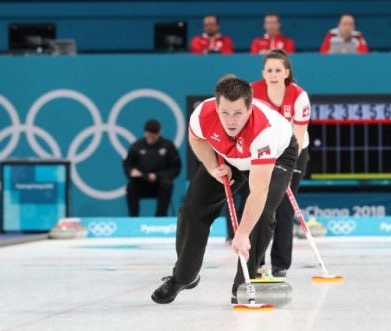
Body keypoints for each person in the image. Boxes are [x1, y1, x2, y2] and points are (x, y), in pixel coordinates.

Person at [151, 75, 298, 304]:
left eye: (238, 113)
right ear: (216, 106)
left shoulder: (264, 131)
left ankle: (242, 285)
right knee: (193, 210)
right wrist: (212, 168)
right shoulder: (203, 114)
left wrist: (240, 234)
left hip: (275, 156)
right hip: (228, 156)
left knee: (259, 217)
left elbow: (258, 190)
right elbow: (196, 138)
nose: (231, 121)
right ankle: (184, 277)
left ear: (250, 108)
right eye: (225, 113)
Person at [251, 49, 311, 277]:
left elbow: (297, 134)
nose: (274, 74)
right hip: (264, 151)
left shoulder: (298, 95)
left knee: (284, 206)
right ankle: (257, 261)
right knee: (260, 203)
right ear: (263, 73)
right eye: (269, 70)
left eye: (278, 70)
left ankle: (280, 264)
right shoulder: (252, 91)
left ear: (286, 72)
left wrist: (283, 165)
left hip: (293, 152)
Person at [123, 119, 182, 217]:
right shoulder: (136, 146)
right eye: (149, 135)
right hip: (142, 183)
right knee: (131, 186)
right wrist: (131, 171)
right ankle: (133, 219)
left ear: (159, 133)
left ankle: (160, 217)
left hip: (160, 183)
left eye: (154, 136)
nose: (151, 138)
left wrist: (157, 176)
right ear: (145, 133)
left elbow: (176, 168)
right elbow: (128, 164)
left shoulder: (168, 146)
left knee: (167, 184)